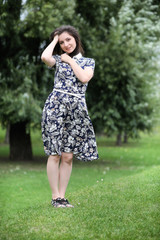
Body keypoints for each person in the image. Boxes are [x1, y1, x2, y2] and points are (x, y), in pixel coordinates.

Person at [41, 25, 99, 208]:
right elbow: (44, 57)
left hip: (76, 111)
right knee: (55, 153)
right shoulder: (57, 60)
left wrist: (70, 61)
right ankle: (55, 197)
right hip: (55, 108)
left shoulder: (88, 62)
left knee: (67, 156)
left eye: (68, 39)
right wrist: (54, 39)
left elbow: (83, 78)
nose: (66, 44)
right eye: (61, 42)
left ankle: (63, 197)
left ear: (76, 38)